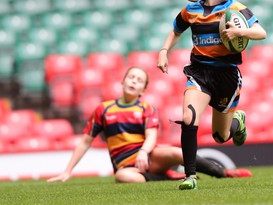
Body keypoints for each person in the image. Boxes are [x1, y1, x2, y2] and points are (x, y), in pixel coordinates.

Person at [157, 0, 267, 190]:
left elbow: (261, 32)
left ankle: (238, 122)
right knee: (188, 119)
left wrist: (240, 32)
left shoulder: (236, 8)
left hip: (227, 75)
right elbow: (176, 31)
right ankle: (190, 176)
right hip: (199, 73)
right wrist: (163, 51)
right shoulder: (191, 10)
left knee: (220, 136)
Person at [47, 67, 252, 184]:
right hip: (126, 167)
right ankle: (167, 177)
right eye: (131, 77)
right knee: (122, 177)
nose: (133, 81)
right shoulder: (103, 109)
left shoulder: (146, 108)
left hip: (149, 157)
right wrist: (67, 171)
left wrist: (144, 152)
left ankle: (223, 173)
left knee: (178, 153)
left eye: (139, 80)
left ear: (143, 90)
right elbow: (85, 141)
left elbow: (151, 136)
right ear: (123, 81)